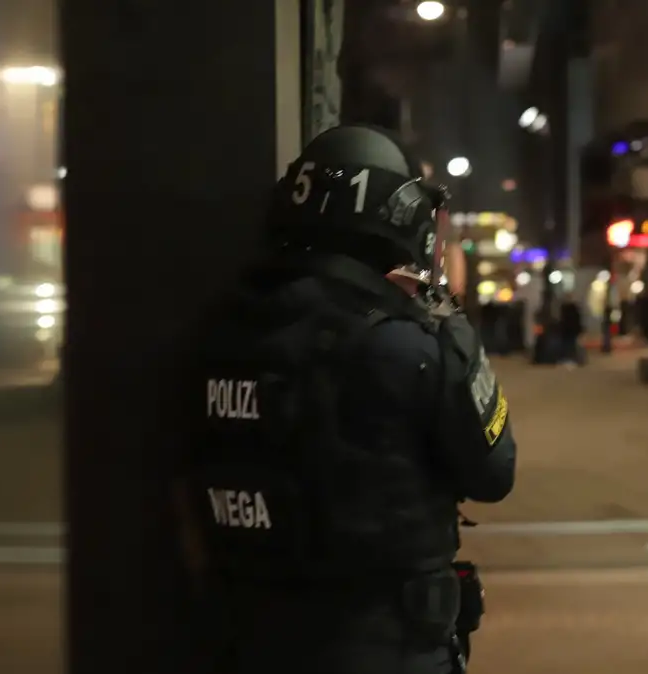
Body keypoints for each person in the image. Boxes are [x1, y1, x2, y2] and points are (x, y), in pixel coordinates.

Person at [174, 125, 518, 674]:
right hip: (386, 647)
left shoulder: (225, 332)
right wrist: (451, 326)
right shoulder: (408, 344)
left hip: (244, 639)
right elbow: (493, 473)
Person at [558, 298, 584, 366]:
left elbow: (562, 321)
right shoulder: (574, 310)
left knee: (568, 345)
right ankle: (573, 358)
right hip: (571, 331)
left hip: (567, 331)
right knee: (572, 344)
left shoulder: (565, 310)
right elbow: (577, 321)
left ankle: (568, 358)